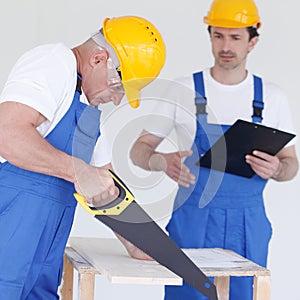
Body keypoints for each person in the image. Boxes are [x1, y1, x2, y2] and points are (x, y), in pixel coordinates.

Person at [130, 1, 299, 299]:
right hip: (192, 220)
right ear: (209, 36)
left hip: (248, 224)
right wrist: (161, 161)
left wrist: (277, 169)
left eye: (235, 38)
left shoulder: (272, 97)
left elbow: (290, 165)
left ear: (253, 41)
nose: (225, 45)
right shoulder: (182, 90)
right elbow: (138, 150)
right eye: (218, 35)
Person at [0, 15, 165, 299]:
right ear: (99, 58)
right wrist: (78, 171)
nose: (116, 100)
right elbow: (7, 133)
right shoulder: (53, 62)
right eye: (118, 88)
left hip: (42, 260)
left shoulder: (88, 111)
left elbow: (108, 186)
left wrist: (139, 241)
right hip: (8, 245)